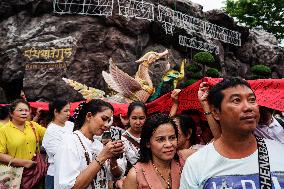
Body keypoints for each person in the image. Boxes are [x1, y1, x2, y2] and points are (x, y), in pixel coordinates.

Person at [180, 77, 284, 188]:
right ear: (215, 112)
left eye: (252, 100)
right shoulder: (196, 164)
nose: (248, 107)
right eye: (236, 100)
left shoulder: (280, 153)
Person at [54, 99, 125, 189]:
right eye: (103, 119)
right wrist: (102, 157)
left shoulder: (98, 145)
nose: (107, 125)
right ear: (89, 116)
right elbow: (71, 187)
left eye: (108, 121)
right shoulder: (69, 142)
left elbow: (102, 181)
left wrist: (113, 160)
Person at [123, 113, 185, 189]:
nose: (169, 144)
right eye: (161, 139)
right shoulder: (135, 175)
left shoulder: (184, 164)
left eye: (172, 138)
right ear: (148, 143)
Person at [0, 99, 46, 184]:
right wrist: (22, 162)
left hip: (35, 173)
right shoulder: (3, 130)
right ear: (11, 113)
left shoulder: (33, 125)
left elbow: (50, 134)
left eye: (26, 110)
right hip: (13, 174)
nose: (24, 113)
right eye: (20, 110)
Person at [42, 100, 74, 189]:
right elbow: (59, 154)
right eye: (65, 111)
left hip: (71, 173)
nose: (68, 114)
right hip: (56, 175)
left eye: (69, 110)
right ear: (56, 112)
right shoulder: (51, 131)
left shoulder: (71, 125)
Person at [122, 101, 147, 166]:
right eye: (134, 118)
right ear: (128, 118)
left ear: (146, 118)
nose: (138, 122)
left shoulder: (150, 134)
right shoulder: (123, 140)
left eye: (141, 118)